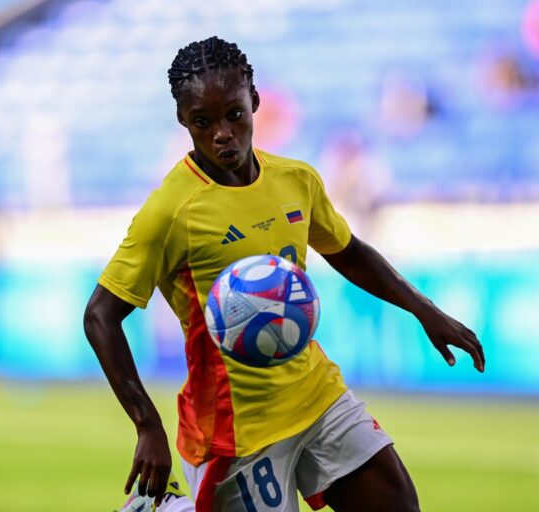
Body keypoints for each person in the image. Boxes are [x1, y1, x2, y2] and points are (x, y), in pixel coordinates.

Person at [83, 37, 485, 512]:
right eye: (202, 122)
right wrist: (147, 424)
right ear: (182, 121)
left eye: (234, 114)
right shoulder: (171, 210)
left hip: (316, 395)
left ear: (254, 101)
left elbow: (348, 251)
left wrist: (424, 310)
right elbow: (100, 316)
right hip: (236, 430)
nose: (221, 134)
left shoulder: (296, 180)